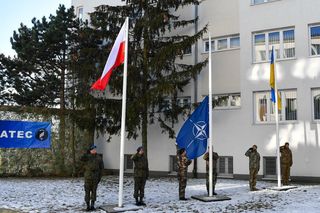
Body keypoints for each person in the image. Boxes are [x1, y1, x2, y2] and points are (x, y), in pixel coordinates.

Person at [81, 145, 104, 211]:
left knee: (94, 192)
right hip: (88, 177)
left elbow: (102, 168)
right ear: (90, 150)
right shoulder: (87, 157)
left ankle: (92, 205)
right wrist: (86, 153)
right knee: (87, 192)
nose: (94, 150)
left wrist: (99, 177)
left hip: (95, 177)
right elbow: (81, 158)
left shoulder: (99, 158)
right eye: (93, 149)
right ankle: (88, 206)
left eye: (95, 149)